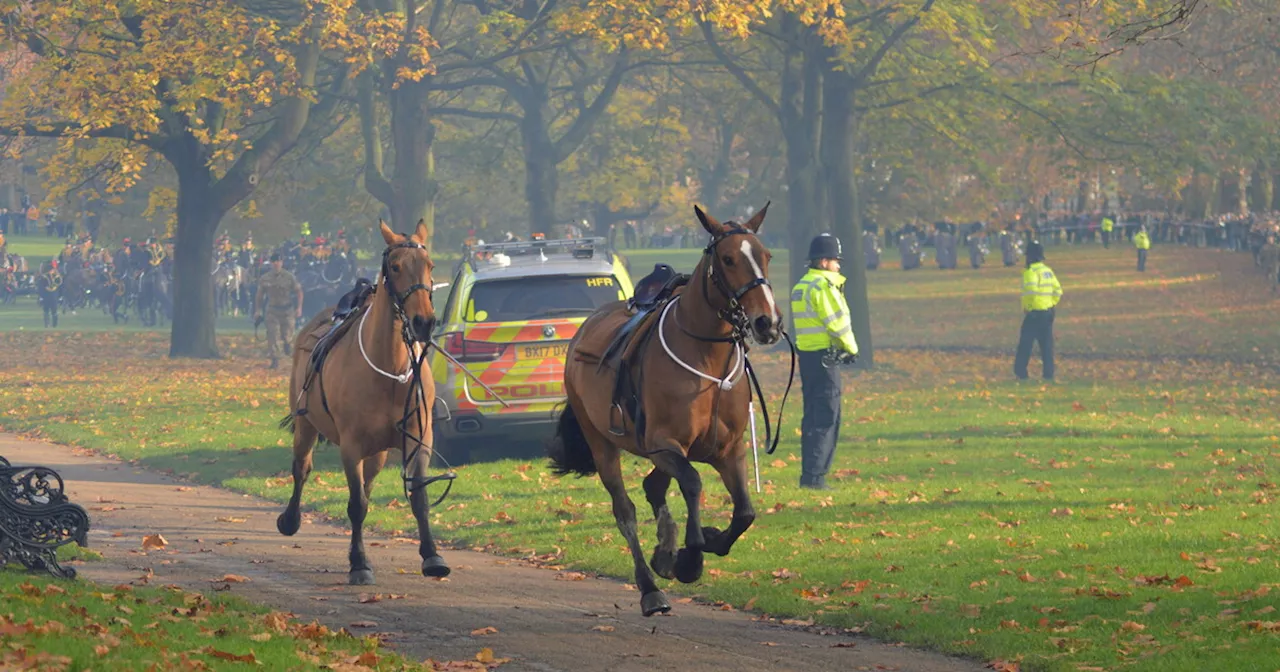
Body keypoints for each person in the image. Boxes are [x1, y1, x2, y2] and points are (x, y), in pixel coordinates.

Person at [791, 233, 859, 490]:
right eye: (834, 259)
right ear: (822, 262)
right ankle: (815, 477)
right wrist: (851, 348)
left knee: (812, 415)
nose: (838, 265)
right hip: (825, 358)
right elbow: (837, 323)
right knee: (827, 416)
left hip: (808, 357)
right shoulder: (823, 287)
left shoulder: (802, 286)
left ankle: (809, 472)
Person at [1013, 242, 1062, 381]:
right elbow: (1058, 291)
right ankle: (1049, 373)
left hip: (1034, 313)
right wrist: (1051, 304)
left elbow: (1030, 292)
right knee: (1046, 345)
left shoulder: (1030, 272)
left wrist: (1028, 307)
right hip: (1047, 312)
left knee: (1025, 344)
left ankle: (1020, 372)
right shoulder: (1047, 271)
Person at [254, 252, 303, 369]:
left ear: (282, 263)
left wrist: (299, 307)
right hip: (272, 310)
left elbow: (299, 291)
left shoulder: (289, 277)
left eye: (279, 261)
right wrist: (258, 310)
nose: (276, 263)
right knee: (272, 334)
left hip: (287, 310)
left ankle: (287, 344)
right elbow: (259, 296)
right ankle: (275, 360)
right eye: (274, 261)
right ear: (271, 263)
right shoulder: (265, 278)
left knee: (287, 335)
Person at [36, 261, 62, 328]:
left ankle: (54, 324)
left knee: (54, 311)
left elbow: (59, 284)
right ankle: (47, 324)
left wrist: (58, 276)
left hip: (54, 296)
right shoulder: (44, 277)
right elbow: (43, 287)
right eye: (52, 270)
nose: (53, 271)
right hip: (46, 296)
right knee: (46, 311)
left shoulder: (56, 276)